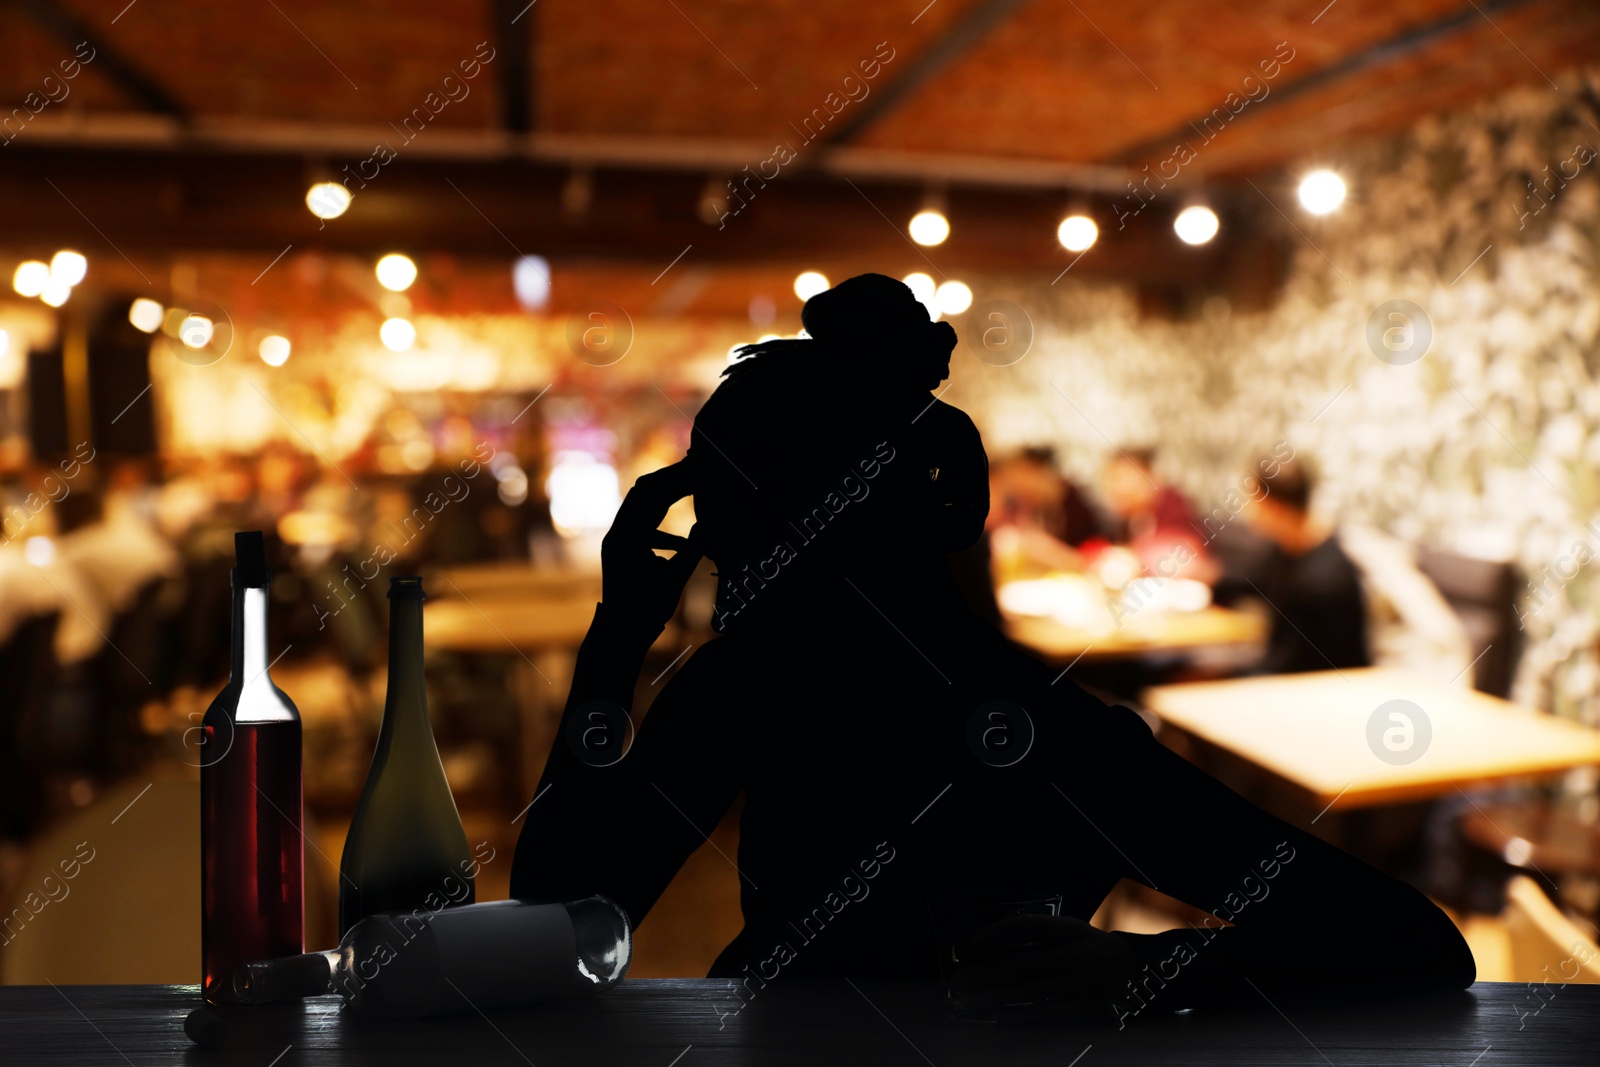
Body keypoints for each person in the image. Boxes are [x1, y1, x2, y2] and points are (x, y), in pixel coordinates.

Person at [511, 275, 1471, 1022]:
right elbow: (1410, 942)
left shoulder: (756, 690)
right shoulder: (1033, 724)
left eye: (735, 524)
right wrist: (1137, 967)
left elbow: (550, 926)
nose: (719, 557)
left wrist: (617, 639)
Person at [1221, 459, 1370, 675]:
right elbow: (1249, 581)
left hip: (1320, 688)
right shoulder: (1288, 549)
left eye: (1253, 503)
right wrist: (1206, 580)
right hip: (1291, 674)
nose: (1249, 514)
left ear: (1275, 507)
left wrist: (1224, 676)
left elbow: (1294, 665)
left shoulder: (1324, 578)